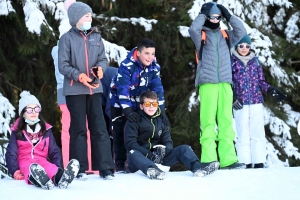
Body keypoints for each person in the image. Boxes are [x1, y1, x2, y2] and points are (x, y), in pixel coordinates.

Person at [58, 0, 114, 180]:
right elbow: (63, 66)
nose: (90, 18)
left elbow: (103, 59)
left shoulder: (97, 38)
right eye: (86, 16)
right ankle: (79, 168)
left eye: (90, 15)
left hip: (95, 90)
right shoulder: (66, 39)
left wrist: (101, 69)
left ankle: (105, 168)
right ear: (77, 19)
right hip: (75, 91)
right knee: (78, 130)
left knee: (100, 128)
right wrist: (79, 76)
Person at [188, 2, 247, 169]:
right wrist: (202, 14)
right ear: (206, 17)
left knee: (226, 120)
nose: (215, 20)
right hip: (208, 83)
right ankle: (208, 159)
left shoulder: (226, 35)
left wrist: (229, 16)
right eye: (211, 16)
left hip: (225, 83)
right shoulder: (201, 35)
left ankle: (228, 159)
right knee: (208, 121)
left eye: (218, 17)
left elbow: (242, 31)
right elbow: (192, 29)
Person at [124, 91, 219, 180]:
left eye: (155, 104)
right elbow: (130, 144)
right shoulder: (134, 121)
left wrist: (163, 151)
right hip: (140, 161)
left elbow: (168, 141)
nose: (151, 107)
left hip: (158, 159)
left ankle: (197, 167)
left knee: (184, 148)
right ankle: (151, 170)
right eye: (148, 104)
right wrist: (149, 154)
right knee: (133, 152)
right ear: (141, 106)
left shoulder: (161, 121)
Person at [52, 41, 116, 170]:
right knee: (72, 130)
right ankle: (72, 166)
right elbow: (65, 72)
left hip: (86, 92)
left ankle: (90, 166)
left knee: (88, 128)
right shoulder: (61, 48)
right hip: (69, 93)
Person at [110, 38, 169, 173]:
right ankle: (119, 164)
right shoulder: (127, 66)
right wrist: (127, 110)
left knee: (139, 130)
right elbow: (122, 89)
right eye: (147, 53)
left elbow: (157, 88)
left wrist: (161, 110)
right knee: (119, 131)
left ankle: (138, 163)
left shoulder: (154, 67)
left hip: (139, 102)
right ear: (138, 52)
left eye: (153, 54)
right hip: (119, 102)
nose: (150, 57)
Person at [231, 34, 286, 168]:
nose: (244, 48)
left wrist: (271, 89)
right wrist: (232, 98)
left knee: (257, 131)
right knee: (242, 131)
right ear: (237, 47)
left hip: (256, 101)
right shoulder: (231, 62)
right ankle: (245, 162)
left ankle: (259, 161)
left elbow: (261, 81)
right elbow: (229, 83)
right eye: (241, 46)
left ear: (250, 47)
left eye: (247, 46)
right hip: (240, 103)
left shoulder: (255, 61)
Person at [5, 91, 79, 190]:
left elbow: (54, 151)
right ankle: (41, 180)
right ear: (23, 114)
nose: (34, 112)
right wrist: (15, 170)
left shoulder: (46, 130)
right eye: (29, 110)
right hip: (24, 162)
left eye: (36, 109)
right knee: (29, 168)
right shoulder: (17, 132)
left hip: (41, 161)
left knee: (50, 168)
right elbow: (11, 153)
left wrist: (57, 167)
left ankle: (62, 178)